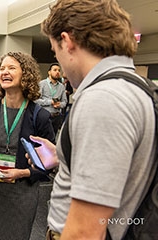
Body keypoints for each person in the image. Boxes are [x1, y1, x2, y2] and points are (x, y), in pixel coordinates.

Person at [34, 0, 156, 239]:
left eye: (55, 51)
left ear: (67, 42)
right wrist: (63, 156)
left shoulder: (103, 99)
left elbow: (85, 231)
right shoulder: (140, 87)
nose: (59, 63)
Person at [0, 51, 56, 240]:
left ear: (25, 74)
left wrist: (23, 173)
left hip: (22, 191)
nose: (4, 72)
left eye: (11, 68)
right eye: (2, 69)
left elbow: (49, 165)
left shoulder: (39, 116)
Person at [35, 63, 67, 136]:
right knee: (43, 139)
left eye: (59, 70)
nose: (57, 72)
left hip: (56, 116)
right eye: (55, 70)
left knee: (53, 139)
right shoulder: (42, 84)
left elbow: (64, 102)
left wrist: (60, 105)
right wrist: (50, 102)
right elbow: (36, 100)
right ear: (49, 72)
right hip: (44, 116)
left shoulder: (61, 87)